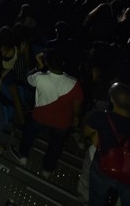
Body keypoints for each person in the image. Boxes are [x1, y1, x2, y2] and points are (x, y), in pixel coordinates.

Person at [11, 49, 83, 179]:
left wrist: (39, 67)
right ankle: (47, 170)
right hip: (62, 122)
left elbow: (28, 78)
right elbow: (76, 106)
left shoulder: (39, 78)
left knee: (29, 134)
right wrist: (75, 117)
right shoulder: (74, 83)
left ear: (48, 63)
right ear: (63, 63)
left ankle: (23, 156)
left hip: (40, 117)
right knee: (56, 146)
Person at [84, 82, 130, 206]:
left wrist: (94, 137)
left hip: (104, 167)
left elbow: (86, 132)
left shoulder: (100, 117)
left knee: (96, 199)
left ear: (113, 100)